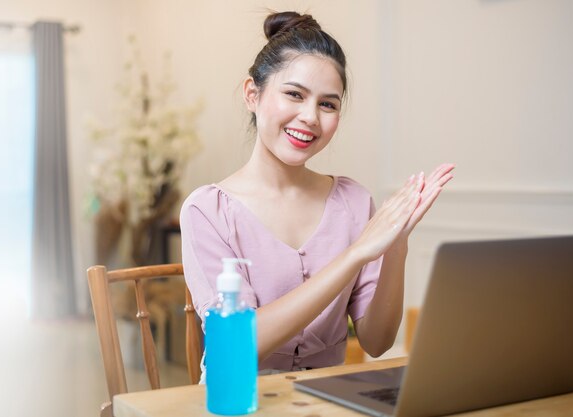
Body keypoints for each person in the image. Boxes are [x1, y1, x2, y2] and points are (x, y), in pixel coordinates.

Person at [180, 11, 454, 380]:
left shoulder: (354, 202)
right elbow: (235, 344)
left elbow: (376, 342)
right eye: (294, 94)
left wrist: (397, 244)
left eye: (328, 104)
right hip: (238, 400)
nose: (310, 117)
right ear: (252, 94)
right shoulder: (207, 210)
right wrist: (355, 255)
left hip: (327, 401)